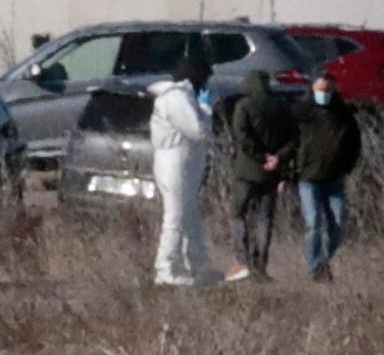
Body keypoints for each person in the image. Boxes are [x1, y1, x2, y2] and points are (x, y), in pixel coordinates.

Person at [149, 56, 219, 287]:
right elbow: (198, 131)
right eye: (205, 79)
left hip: (184, 160)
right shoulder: (177, 97)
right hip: (175, 161)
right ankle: (165, 270)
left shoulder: (184, 96)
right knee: (175, 217)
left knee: (189, 218)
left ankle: (198, 266)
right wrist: (206, 107)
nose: (206, 84)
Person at [226, 70, 297, 282]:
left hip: (246, 171)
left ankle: (242, 261)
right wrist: (278, 159)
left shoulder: (244, 106)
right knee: (265, 219)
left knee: (239, 214)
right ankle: (260, 267)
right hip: (271, 174)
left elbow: (241, 135)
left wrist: (260, 156)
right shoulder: (281, 108)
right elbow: (294, 139)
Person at [291, 73, 362, 282]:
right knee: (313, 222)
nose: (324, 94)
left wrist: (347, 166)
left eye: (328, 90)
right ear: (313, 88)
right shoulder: (301, 112)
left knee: (338, 224)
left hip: (333, 178)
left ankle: (323, 261)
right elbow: (290, 141)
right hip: (307, 176)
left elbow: (354, 143)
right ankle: (314, 266)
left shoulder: (342, 114)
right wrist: (290, 170)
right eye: (321, 89)